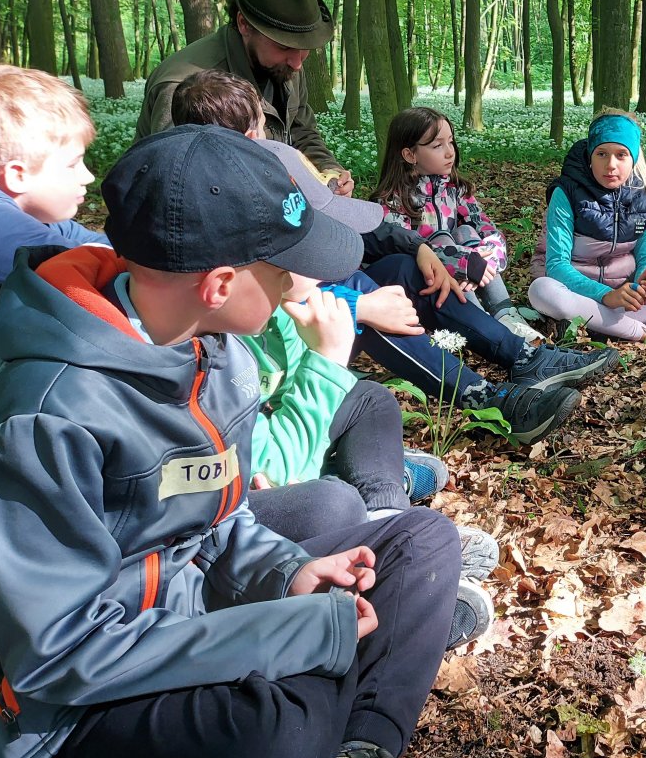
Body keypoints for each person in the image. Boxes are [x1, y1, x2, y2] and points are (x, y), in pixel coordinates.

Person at [0, 125, 475, 758]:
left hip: (180, 614)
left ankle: (355, 754)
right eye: (283, 272)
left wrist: (287, 573)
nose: (296, 287)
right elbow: (59, 653)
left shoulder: (217, 352)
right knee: (271, 743)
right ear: (218, 284)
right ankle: (335, 711)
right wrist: (297, 631)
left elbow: (219, 518)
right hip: (58, 696)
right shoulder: (46, 414)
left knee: (422, 541)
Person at [168, 74, 498, 646]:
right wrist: (327, 358)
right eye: (304, 259)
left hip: (258, 472)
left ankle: (389, 519)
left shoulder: (265, 311)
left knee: (368, 400)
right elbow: (274, 469)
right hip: (227, 532)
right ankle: (396, 571)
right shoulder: (212, 348)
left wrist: (318, 350)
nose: (325, 275)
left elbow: (285, 410)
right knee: (330, 501)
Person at [168, 70, 619, 445]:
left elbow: (345, 228)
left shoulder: (257, 173)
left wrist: (419, 248)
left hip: (313, 295)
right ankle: (482, 397)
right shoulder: (224, 207)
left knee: (405, 267)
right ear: (250, 136)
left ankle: (523, 357)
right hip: (290, 325)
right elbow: (271, 298)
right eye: (263, 129)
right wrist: (359, 306)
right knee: (361, 293)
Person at [0, 64, 107, 369]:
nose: (88, 176)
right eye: (73, 164)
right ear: (17, 175)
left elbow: (93, 245)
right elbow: (100, 273)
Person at [135, 0, 355, 196]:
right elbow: (179, 189)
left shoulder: (289, 64)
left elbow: (302, 131)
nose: (297, 63)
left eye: (306, 47)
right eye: (284, 46)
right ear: (243, 24)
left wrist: (328, 171)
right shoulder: (184, 87)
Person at [528, 110, 646, 347]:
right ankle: (645, 333)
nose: (611, 165)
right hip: (576, 292)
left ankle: (597, 325)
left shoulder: (644, 196)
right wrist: (605, 295)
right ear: (590, 156)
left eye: (621, 155)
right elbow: (556, 265)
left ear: (633, 158)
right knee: (541, 290)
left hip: (622, 293)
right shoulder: (566, 193)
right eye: (602, 154)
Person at [374, 106, 541, 340]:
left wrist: (484, 259)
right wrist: (462, 262)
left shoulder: (456, 190)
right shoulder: (393, 200)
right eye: (437, 146)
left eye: (450, 142)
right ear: (410, 155)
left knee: (466, 230)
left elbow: (488, 230)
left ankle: (506, 314)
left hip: (464, 273)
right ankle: (478, 320)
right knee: (442, 237)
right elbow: (404, 250)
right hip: (424, 287)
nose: (449, 152)